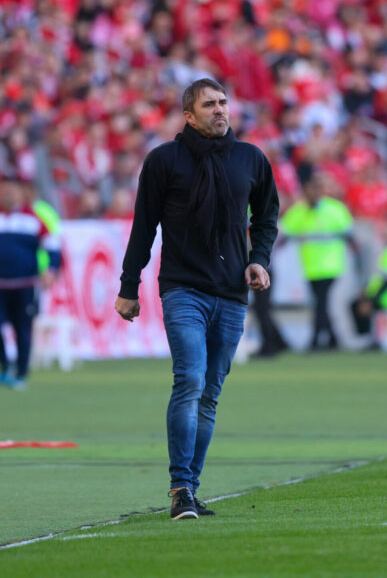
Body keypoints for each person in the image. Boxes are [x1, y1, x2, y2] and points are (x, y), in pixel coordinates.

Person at [115, 78, 279, 520]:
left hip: (231, 291)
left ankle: (192, 486)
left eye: (224, 102)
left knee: (210, 393)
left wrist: (259, 260)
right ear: (189, 115)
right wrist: (129, 286)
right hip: (183, 288)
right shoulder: (164, 161)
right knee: (189, 379)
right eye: (210, 104)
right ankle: (181, 488)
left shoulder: (251, 159)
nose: (221, 110)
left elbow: (266, 218)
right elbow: (143, 226)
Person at [0, 175, 61, 390]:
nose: (7, 194)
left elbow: (53, 247)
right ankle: (4, 365)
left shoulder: (33, 220)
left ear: (20, 194)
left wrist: (51, 270)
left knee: (22, 328)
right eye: (3, 190)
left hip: (25, 284)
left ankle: (21, 372)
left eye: (11, 190)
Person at [280, 175, 358, 350]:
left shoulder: (334, 209)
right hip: (310, 268)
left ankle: (316, 339)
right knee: (321, 303)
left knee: (321, 303)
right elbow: (284, 232)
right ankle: (332, 338)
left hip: (330, 266)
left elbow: (350, 234)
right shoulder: (299, 211)